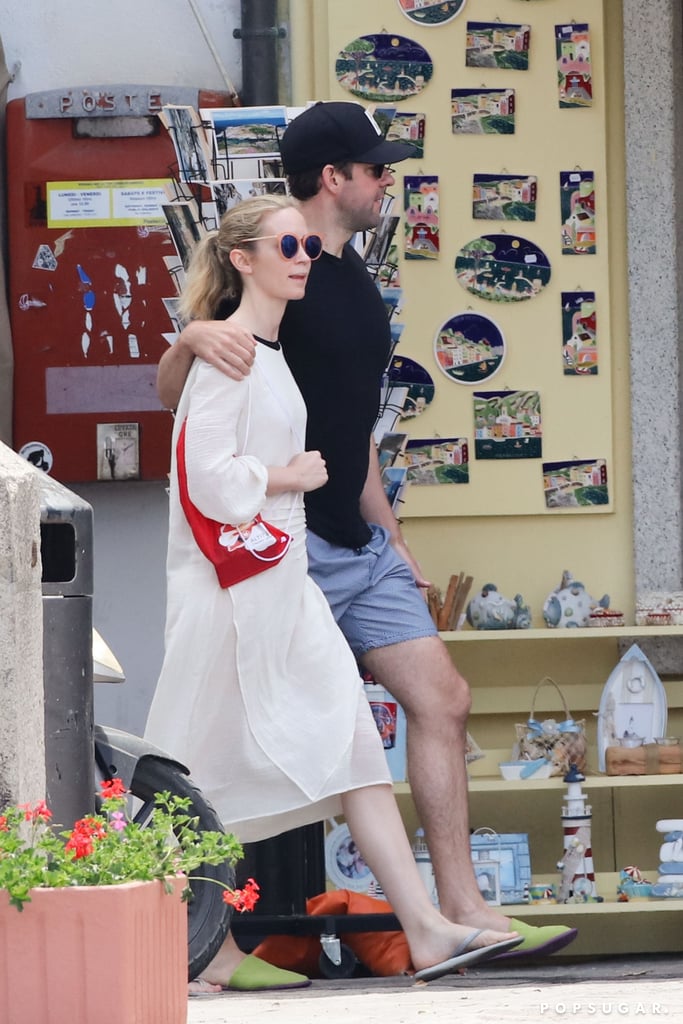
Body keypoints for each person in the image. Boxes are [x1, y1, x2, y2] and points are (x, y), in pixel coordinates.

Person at [156, 101, 578, 964]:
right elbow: (189, 401)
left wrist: (389, 534)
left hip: (356, 537)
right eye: (376, 169)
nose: (389, 182)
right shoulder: (275, 274)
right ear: (332, 179)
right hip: (286, 544)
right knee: (258, 739)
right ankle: (215, 939)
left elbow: (356, 428)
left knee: (441, 700)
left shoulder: (342, 279)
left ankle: (456, 911)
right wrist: (191, 336)